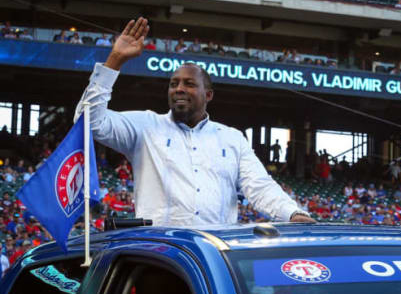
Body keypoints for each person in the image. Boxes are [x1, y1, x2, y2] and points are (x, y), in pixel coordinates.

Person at [74, 17, 314, 226]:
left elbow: (259, 186)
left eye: (189, 84)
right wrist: (115, 59)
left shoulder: (231, 138)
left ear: (208, 95)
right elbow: (88, 122)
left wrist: (291, 213)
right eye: (173, 83)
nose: (179, 89)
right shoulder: (145, 126)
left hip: (213, 257)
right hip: (159, 254)